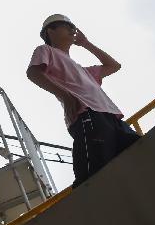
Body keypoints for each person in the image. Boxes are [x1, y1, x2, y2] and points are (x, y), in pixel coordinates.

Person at [25, 14, 139, 187]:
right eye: (66, 26)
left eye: (73, 27)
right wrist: (65, 95)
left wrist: (86, 44)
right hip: (86, 115)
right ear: (50, 31)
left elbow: (114, 66)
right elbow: (33, 73)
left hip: (111, 117)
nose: (72, 29)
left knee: (136, 150)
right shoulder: (45, 50)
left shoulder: (83, 70)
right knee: (92, 172)